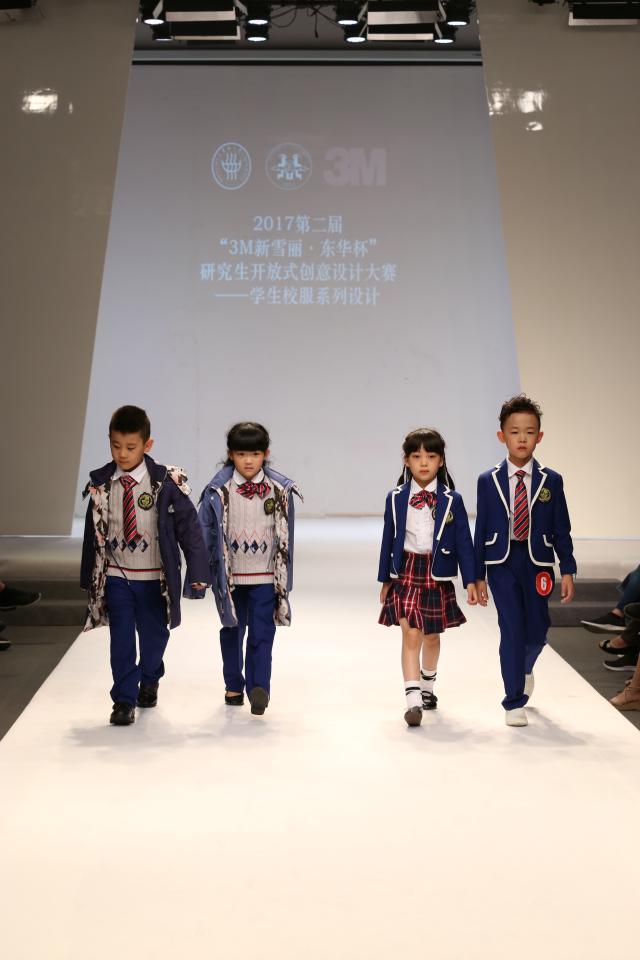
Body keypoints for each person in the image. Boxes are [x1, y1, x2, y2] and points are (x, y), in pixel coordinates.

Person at [80, 405, 209, 726]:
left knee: (154, 636)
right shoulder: (101, 482)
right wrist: (88, 576)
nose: (122, 454)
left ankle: (150, 676)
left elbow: (189, 529)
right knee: (121, 638)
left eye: (130, 447)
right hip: (117, 575)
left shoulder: (166, 483)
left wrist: (198, 570)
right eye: (116, 446)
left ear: (147, 445)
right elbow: (92, 533)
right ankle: (123, 700)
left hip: (154, 578)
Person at [474, 395, 576, 727]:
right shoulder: (488, 480)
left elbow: (561, 527)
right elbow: (481, 528)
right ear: (501, 436)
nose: (522, 438)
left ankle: (525, 668)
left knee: (537, 631)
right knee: (512, 629)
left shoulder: (551, 480)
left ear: (539, 436)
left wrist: (568, 568)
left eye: (529, 432)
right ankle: (513, 700)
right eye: (514, 432)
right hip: (501, 563)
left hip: (537, 562)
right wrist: (476, 575)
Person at [190, 422, 301, 716]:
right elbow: (203, 533)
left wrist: (285, 580)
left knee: (263, 632)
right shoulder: (217, 491)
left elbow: (287, 536)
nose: (248, 461)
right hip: (229, 577)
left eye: (255, 454)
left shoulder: (279, 490)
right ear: (231, 455)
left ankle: (258, 687)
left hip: (265, 575)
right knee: (232, 630)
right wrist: (199, 574)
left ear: (266, 454)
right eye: (241, 454)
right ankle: (233, 684)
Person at [378, 428, 478, 727]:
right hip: (406, 571)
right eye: (417, 456)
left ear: (441, 460)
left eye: (431, 456)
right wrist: (385, 578)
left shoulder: (452, 499)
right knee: (411, 633)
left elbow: (464, 541)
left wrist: (471, 580)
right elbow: (388, 538)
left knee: (431, 636)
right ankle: (412, 700)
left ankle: (427, 686)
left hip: (437, 573)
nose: (424, 463)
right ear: (406, 460)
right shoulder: (396, 497)